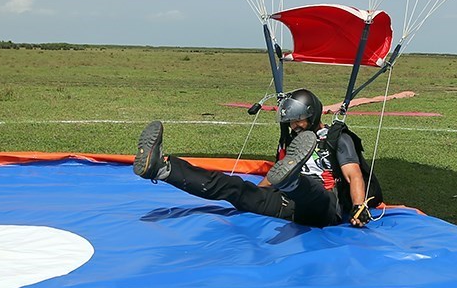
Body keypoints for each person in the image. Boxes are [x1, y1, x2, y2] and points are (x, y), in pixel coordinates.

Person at [133, 88, 383, 228]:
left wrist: (360, 206)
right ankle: (163, 169)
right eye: (291, 121)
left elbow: (354, 175)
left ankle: (293, 183)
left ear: (313, 114)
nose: (295, 125)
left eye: (299, 120)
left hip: (325, 205)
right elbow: (276, 173)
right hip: (287, 203)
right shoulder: (291, 140)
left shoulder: (336, 137)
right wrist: (255, 193)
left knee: (309, 191)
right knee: (235, 188)